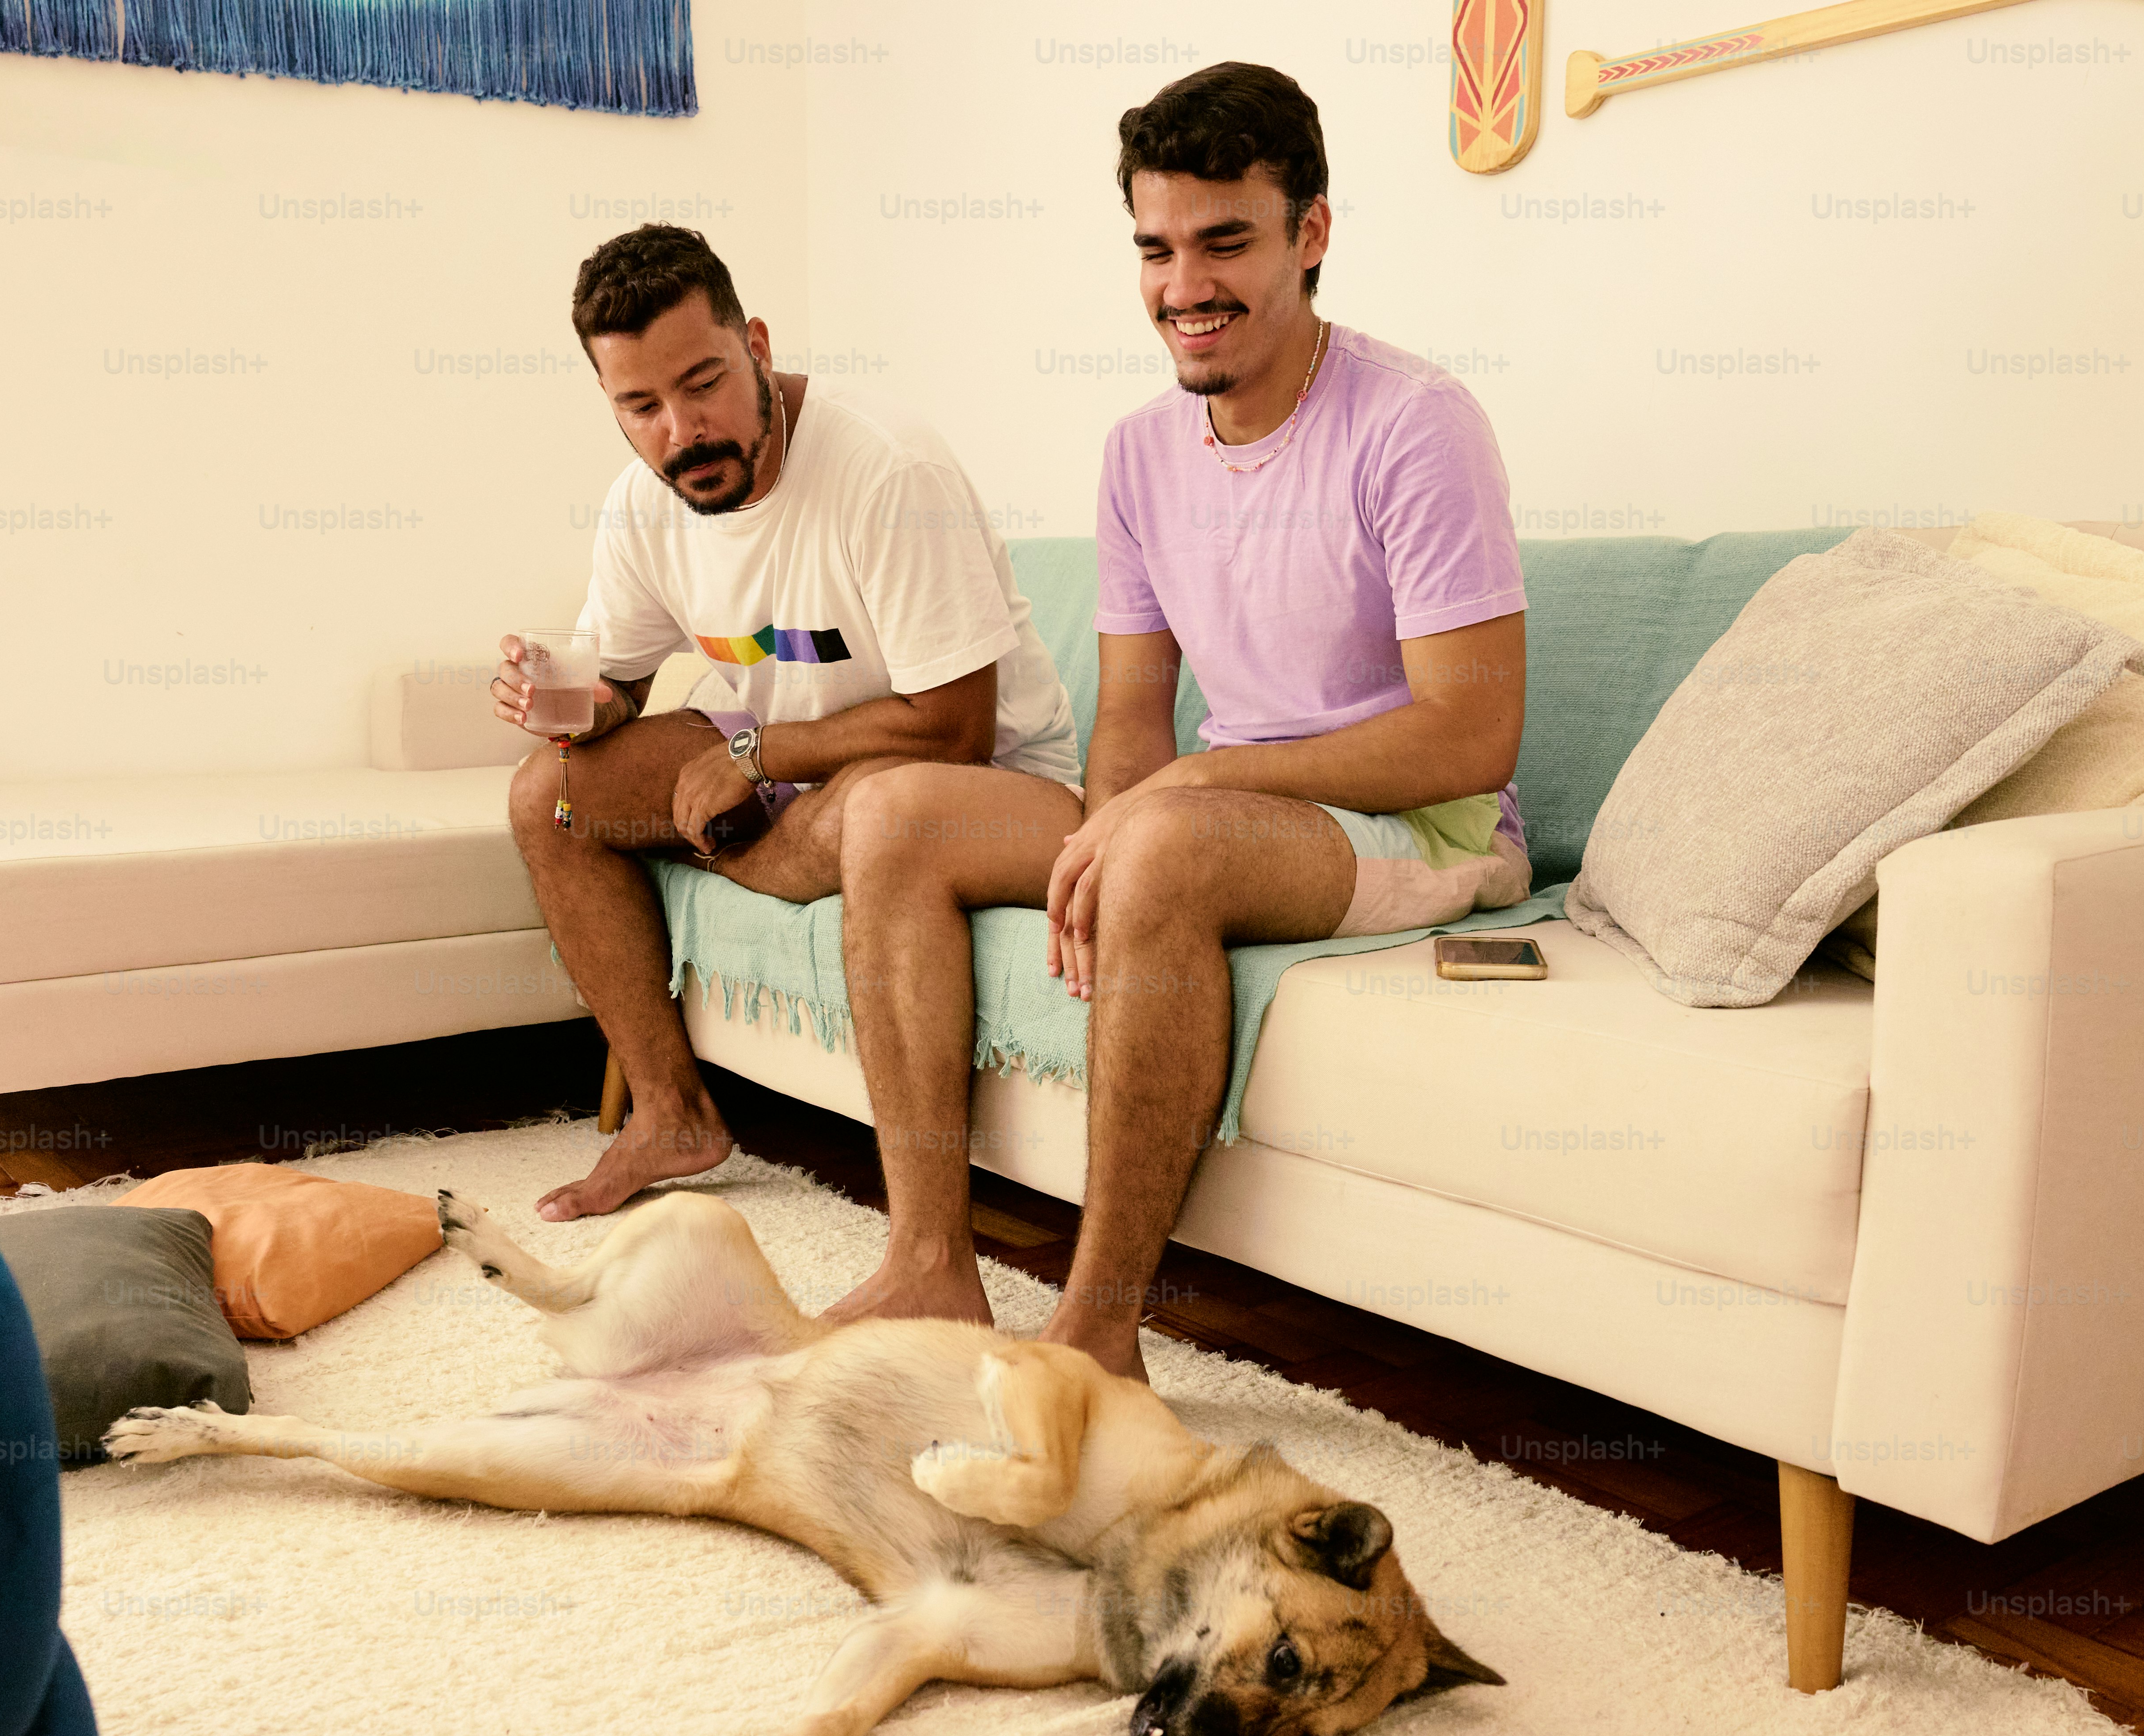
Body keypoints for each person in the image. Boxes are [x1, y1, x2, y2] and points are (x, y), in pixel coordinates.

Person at [826, 62, 1532, 1379]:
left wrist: (1188, 797)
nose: (1183, 286)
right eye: (1156, 249)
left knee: (1158, 844)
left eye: (1226, 242)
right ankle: (930, 1265)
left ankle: (1096, 1338)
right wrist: (1109, 831)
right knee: (895, 814)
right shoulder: (1139, 452)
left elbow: (1468, 740)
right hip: (1238, 813)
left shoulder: (1417, 426)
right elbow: (1135, 723)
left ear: (1310, 234)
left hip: (1422, 824)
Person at [497, 224, 1077, 1223]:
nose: (683, 430)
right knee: (545, 795)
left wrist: (751, 755)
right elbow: (623, 685)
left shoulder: (883, 469)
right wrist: (574, 704)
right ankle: (670, 1115)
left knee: (871, 811)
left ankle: (732, 839)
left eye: (704, 383)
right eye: (642, 406)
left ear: (755, 344)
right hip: (793, 788)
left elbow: (956, 729)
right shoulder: (643, 505)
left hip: (989, 793)